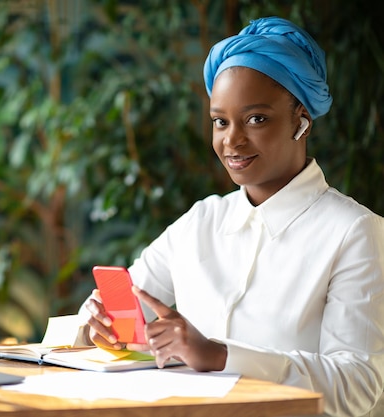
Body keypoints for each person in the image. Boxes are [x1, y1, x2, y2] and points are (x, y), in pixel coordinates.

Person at [78, 16, 384, 417]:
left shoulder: (355, 232)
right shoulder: (200, 222)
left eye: (256, 119)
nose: (232, 140)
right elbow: (122, 304)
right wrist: (94, 325)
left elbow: (358, 386)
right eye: (220, 122)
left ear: (301, 120)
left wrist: (221, 355)